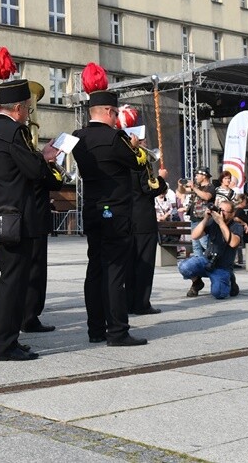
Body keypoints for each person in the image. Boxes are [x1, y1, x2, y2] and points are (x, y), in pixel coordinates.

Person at [0, 47, 63, 361]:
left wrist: (37, 157)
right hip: (17, 219)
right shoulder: (13, 133)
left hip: (1, 217)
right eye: (27, 108)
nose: (29, 113)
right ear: (17, 108)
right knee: (12, 284)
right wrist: (45, 161)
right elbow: (33, 171)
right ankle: (3, 344)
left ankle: (9, 340)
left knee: (11, 280)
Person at [71, 62, 147, 347]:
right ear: (106, 111)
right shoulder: (116, 138)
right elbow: (138, 164)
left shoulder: (77, 137)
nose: (117, 118)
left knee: (95, 269)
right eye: (115, 113)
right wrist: (135, 145)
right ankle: (117, 331)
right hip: (116, 212)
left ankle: (95, 329)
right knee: (115, 271)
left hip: (91, 208)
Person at [116, 106, 168, 316]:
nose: (146, 145)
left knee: (130, 264)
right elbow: (149, 188)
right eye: (143, 141)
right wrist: (162, 178)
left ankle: (130, 302)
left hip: (128, 218)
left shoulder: (122, 161)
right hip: (143, 219)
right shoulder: (140, 163)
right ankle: (142, 303)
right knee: (144, 264)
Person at [181, 199, 242, 299]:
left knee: (219, 293)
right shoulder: (212, 223)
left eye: (224, 211)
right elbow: (195, 236)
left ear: (232, 213)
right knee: (184, 266)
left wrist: (221, 223)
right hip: (207, 261)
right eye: (220, 210)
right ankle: (197, 283)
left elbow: (233, 243)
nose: (221, 213)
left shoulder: (236, 226)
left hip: (223, 266)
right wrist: (205, 219)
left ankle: (230, 280)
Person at [185, 168, 215, 257]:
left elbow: (206, 197)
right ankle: (199, 263)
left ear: (204, 176)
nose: (196, 177)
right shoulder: (197, 187)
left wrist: (194, 187)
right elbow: (182, 191)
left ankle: (214, 258)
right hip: (194, 218)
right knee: (196, 245)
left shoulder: (210, 187)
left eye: (197, 175)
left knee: (204, 242)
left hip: (203, 219)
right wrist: (180, 185)